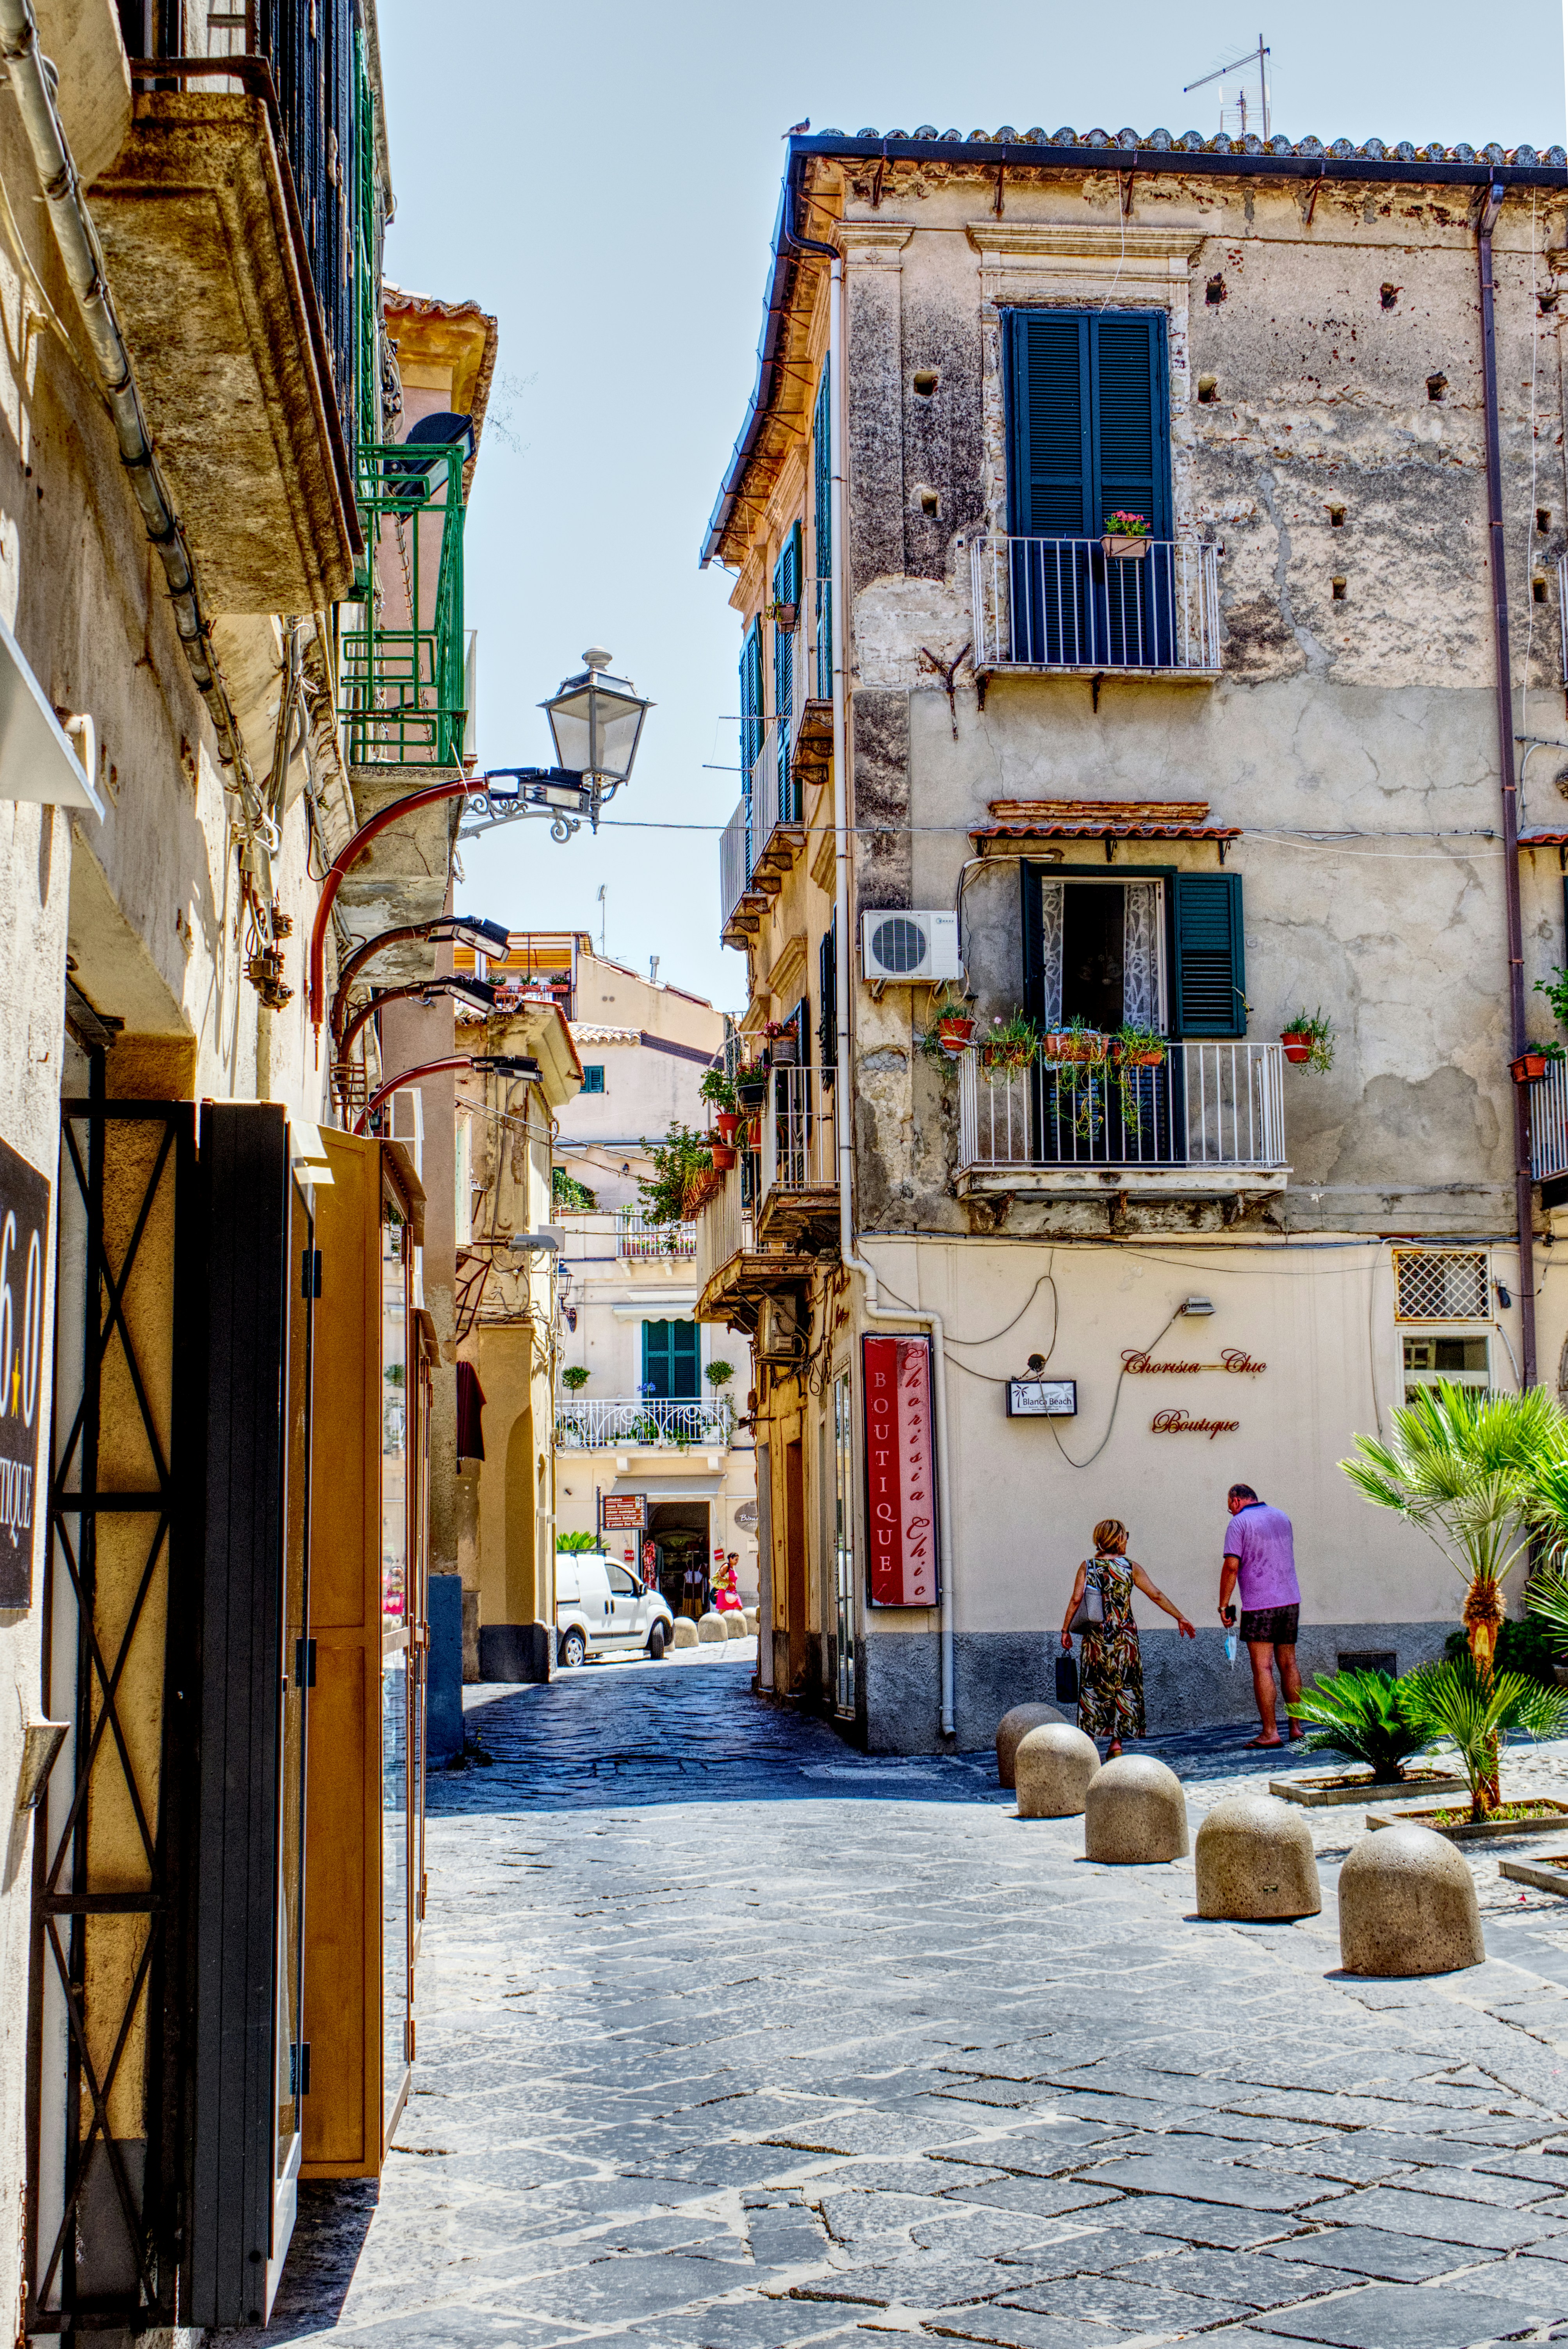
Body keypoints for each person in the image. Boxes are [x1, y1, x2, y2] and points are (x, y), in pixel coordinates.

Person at [1060, 1518, 1197, 1757]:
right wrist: (1180, 1617)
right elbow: (1155, 1594)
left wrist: (1065, 1630)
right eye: (1126, 1536)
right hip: (1125, 1640)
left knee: (1093, 1687)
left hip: (1096, 1640)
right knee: (1124, 1688)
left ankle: (1088, 1744)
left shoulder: (1088, 1566)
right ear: (1119, 1538)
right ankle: (1116, 1744)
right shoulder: (1130, 1567)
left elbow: (1075, 1599)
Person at [1219, 1482, 1303, 1750]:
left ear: (1235, 1500)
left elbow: (1232, 1566)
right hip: (1290, 1600)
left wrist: (1224, 1605)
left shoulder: (1239, 1523)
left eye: (1229, 1505)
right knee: (1289, 1663)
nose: (1229, 1511)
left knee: (1263, 1667)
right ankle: (1297, 1727)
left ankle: (1270, 1732)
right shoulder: (1282, 1517)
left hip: (1259, 1605)